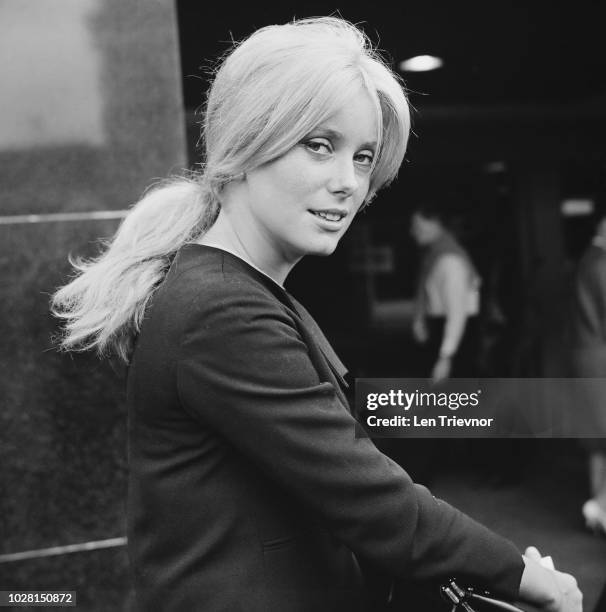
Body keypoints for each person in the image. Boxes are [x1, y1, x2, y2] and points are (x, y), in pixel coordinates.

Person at [51, 17, 582, 612]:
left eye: (362, 157)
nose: (347, 183)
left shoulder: (234, 292)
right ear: (249, 141)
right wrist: (525, 576)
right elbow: (370, 500)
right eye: (319, 145)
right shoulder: (221, 308)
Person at [410, 202, 482, 382]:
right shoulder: (434, 257)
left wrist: (446, 357)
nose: (413, 231)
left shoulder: (450, 261)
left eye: (418, 225)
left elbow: (457, 314)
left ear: (436, 223)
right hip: (443, 334)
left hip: (452, 339)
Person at [570, 208, 606, 534]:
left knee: (597, 440)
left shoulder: (588, 258)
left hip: (588, 357)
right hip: (600, 360)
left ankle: (597, 508)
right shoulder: (601, 263)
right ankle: (598, 507)